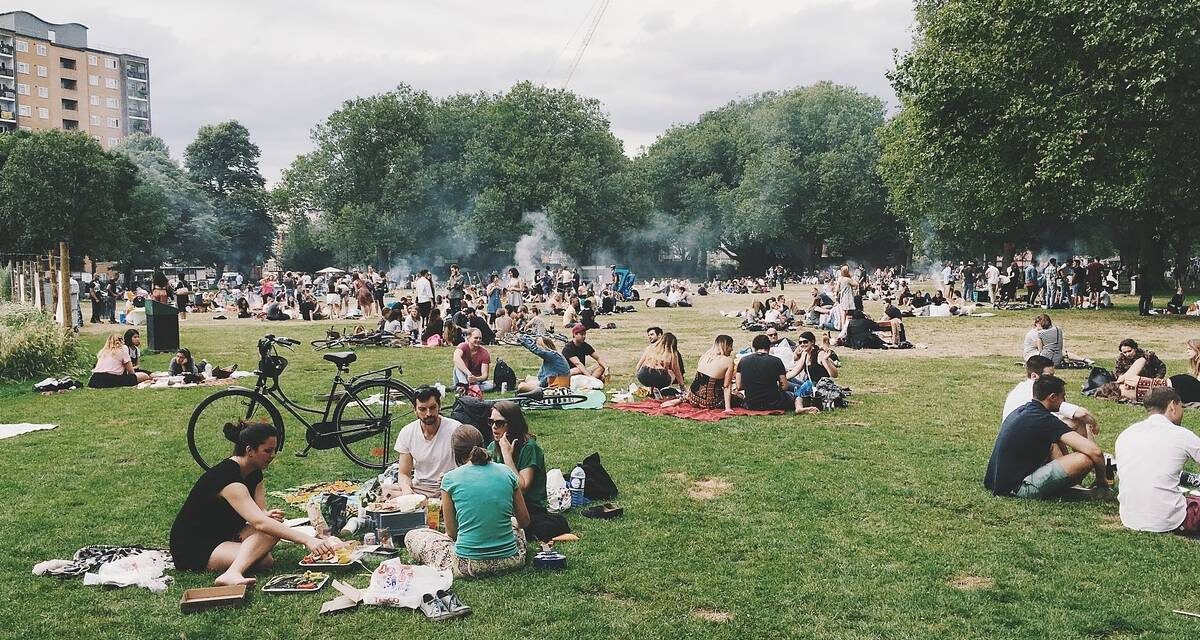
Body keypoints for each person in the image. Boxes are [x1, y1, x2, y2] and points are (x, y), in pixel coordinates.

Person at [170, 420, 340, 586]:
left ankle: (237, 563)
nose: (272, 456)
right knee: (264, 554)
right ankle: (232, 574)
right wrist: (308, 540)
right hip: (194, 547)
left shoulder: (254, 474)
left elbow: (260, 515)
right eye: (268, 450)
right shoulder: (229, 479)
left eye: (274, 450)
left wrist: (266, 515)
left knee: (268, 545)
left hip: (225, 535)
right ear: (250, 450)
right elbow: (259, 523)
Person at [404, 424, 530, 578]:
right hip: (511, 560)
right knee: (514, 526)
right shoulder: (506, 471)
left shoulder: (450, 479)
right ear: (483, 445)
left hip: (468, 564)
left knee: (412, 535)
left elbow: (452, 533)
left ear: (455, 453)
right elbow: (524, 521)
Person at [984, 375, 1109, 498]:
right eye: (1063, 396)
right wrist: (1102, 481)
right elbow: (1095, 452)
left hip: (996, 481)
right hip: (1016, 488)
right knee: (1085, 458)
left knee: (1067, 433)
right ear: (1052, 397)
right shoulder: (1044, 420)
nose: (1064, 401)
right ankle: (1071, 487)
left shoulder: (1025, 410)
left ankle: (1071, 483)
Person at [1115, 388, 1200, 534]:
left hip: (1129, 517)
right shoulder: (1182, 435)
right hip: (1168, 520)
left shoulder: (1126, 434)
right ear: (1173, 406)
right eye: (1182, 407)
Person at [487, 401, 567, 541]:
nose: (494, 427)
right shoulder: (493, 447)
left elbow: (522, 487)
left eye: (499, 423)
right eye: (491, 422)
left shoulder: (529, 448)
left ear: (512, 424)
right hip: (502, 505)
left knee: (542, 528)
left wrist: (507, 456)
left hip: (528, 507)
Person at [1003, 355, 1098, 438]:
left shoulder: (1021, 388)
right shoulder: (1040, 391)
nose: (1052, 379)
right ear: (1034, 376)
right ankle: (1089, 456)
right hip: (1024, 434)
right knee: (1077, 422)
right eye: (1049, 376)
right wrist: (1094, 424)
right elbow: (1080, 413)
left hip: (1013, 433)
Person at [394, 387, 461, 497]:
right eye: (422, 409)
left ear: (439, 406)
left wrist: (451, 479)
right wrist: (407, 490)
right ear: (414, 409)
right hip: (420, 488)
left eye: (432, 408)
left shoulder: (455, 429)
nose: (428, 413)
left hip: (448, 487)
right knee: (386, 490)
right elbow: (404, 473)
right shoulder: (407, 432)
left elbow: (467, 466)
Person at [735, 334, 818, 415]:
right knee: (796, 395)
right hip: (774, 402)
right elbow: (784, 387)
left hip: (751, 404)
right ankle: (799, 408)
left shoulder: (743, 361)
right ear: (769, 347)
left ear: (754, 347)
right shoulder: (776, 361)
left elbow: (739, 386)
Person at [662, 334, 736, 411]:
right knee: (738, 397)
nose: (732, 349)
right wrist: (728, 408)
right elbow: (727, 386)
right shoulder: (728, 361)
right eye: (731, 346)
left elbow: (699, 380)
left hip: (693, 398)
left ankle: (681, 400)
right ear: (726, 346)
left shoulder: (705, 356)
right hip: (711, 402)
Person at [786, 331, 838, 396]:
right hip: (808, 384)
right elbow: (795, 371)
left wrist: (826, 360)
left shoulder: (820, 354)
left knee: (786, 384)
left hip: (818, 388)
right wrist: (780, 377)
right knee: (786, 380)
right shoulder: (805, 354)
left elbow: (834, 375)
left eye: (805, 342)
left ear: (812, 342)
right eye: (800, 342)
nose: (802, 344)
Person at [453, 328, 495, 392]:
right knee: (457, 365)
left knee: (491, 386)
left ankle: (464, 388)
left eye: (480, 338)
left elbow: (485, 375)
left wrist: (476, 379)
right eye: (476, 338)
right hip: (462, 377)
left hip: (475, 381)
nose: (478, 340)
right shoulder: (462, 346)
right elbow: (456, 358)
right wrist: (468, 373)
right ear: (468, 338)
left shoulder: (484, 353)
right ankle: (465, 386)